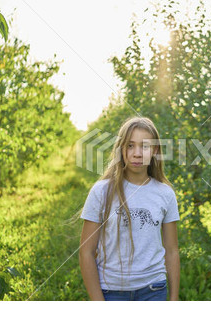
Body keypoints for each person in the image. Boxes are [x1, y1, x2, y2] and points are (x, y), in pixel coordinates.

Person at [79, 116, 180, 301]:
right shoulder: (101, 192)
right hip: (111, 292)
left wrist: (173, 300)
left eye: (145, 146)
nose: (137, 153)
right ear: (121, 150)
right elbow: (86, 252)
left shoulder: (165, 194)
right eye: (130, 146)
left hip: (154, 290)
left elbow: (172, 250)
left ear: (155, 150)